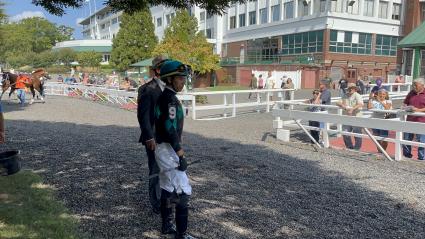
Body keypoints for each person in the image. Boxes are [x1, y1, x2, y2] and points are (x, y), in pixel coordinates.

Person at [155, 60, 195, 239]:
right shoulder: (170, 100)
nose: (183, 82)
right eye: (180, 78)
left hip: (162, 147)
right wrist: (181, 153)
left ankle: (166, 226)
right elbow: (170, 128)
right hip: (168, 149)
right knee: (183, 191)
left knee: (167, 186)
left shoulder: (165, 97)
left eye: (184, 78)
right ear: (170, 79)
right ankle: (181, 234)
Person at [137, 56, 169, 214]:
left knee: (169, 168)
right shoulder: (146, 89)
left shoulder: (169, 88)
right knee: (155, 170)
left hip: (168, 138)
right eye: (165, 67)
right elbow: (143, 116)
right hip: (154, 137)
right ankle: (156, 203)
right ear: (157, 69)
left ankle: (168, 199)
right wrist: (149, 137)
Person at [402, 78, 425, 161]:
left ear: (422, 85)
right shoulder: (411, 93)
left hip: (422, 120)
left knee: (421, 140)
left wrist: (418, 110)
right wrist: (406, 107)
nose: (414, 86)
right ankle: (407, 156)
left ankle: (421, 158)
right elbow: (405, 103)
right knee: (406, 138)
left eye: (416, 84)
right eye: (413, 84)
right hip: (410, 119)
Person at [336, 83, 364, 150]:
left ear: (355, 89)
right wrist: (344, 106)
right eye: (349, 88)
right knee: (345, 132)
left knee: (357, 133)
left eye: (352, 88)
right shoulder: (345, 95)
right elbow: (337, 102)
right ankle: (349, 147)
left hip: (356, 116)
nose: (351, 89)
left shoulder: (357, 95)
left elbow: (360, 104)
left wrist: (352, 109)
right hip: (347, 117)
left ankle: (357, 148)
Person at [368, 89, 392, 154]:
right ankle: (379, 152)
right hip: (375, 121)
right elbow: (369, 107)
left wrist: (380, 101)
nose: (382, 95)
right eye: (380, 94)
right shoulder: (374, 101)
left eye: (383, 94)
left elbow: (387, 108)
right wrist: (370, 98)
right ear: (378, 94)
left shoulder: (388, 101)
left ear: (386, 95)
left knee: (384, 138)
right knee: (377, 138)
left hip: (384, 121)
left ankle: (383, 152)